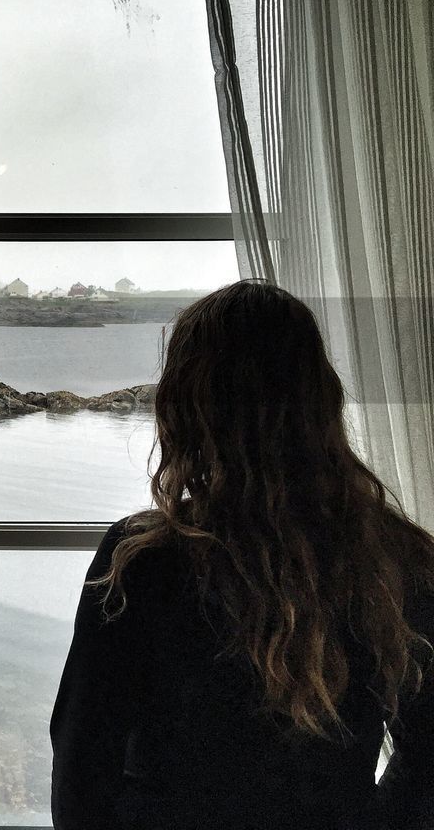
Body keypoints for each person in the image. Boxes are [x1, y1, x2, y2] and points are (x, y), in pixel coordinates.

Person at [50, 280, 434, 830]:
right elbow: (428, 761)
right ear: (321, 400)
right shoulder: (396, 559)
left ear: (188, 405)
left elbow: (83, 759)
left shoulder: (142, 559)